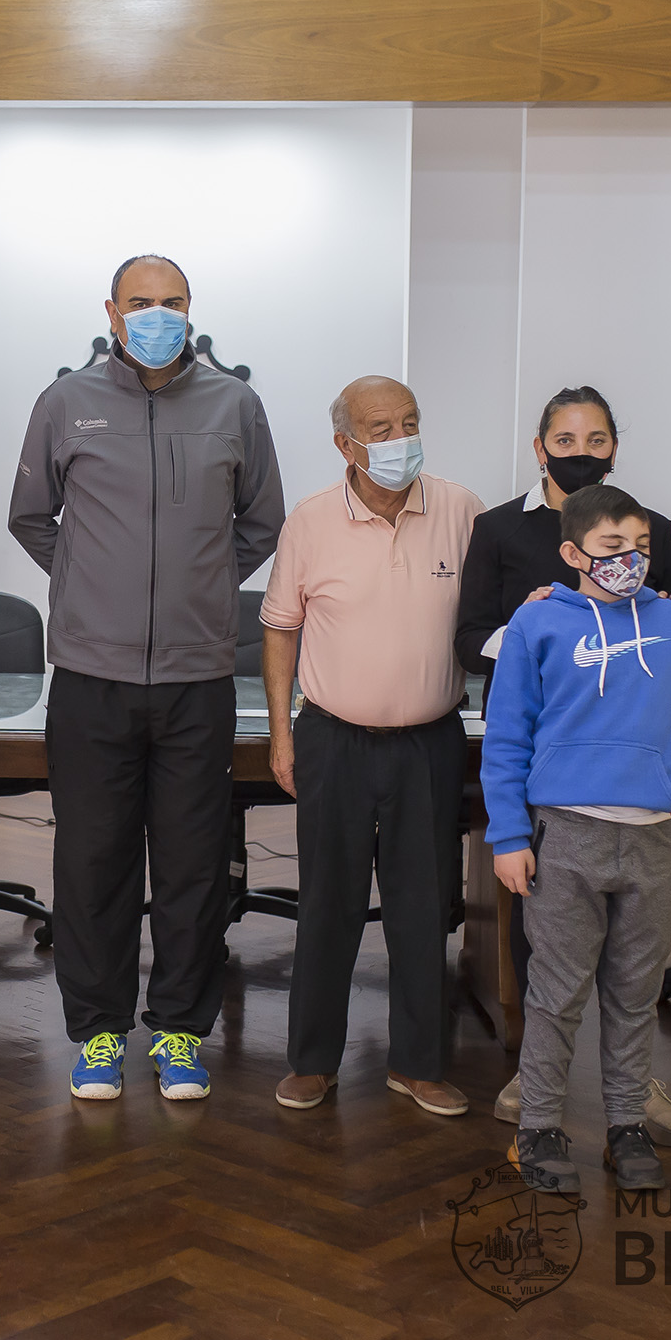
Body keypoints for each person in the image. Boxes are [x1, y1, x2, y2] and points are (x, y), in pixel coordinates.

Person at [10, 255, 284, 1102]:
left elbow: (261, 522)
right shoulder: (65, 403)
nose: (155, 315)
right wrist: (89, 584)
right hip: (90, 675)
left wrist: (201, 587)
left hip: (196, 676)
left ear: (191, 309)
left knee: (193, 866)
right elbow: (31, 518)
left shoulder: (234, 405)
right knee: (92, 863)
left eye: (171, 302)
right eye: (139, 302)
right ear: (111, 311)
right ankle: (97, 1032)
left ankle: (178, 1031)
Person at [453, 386, 671, 1144]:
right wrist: (534, 625)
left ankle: (633, 1084)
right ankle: (536, 1077)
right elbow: (468, 638)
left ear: (614, 447)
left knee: (633, 964)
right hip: (546, 762)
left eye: (596, 440)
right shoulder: (498, 528)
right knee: (546, 940)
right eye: (565, 440)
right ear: (539, 448)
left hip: (634, 768)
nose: (581, 452)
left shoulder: (646, 529)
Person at [482, 484, 671, 1193]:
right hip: (565, 836)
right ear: (573, 553)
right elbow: (507, 737)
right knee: (556, 994)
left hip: (653, 838)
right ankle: (538, 1129)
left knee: (634, 992)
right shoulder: (536, 623)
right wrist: (508, 835)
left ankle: (626, 1126)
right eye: (612, 547)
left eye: (641, 548)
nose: (630, 561)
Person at [261, 377, 479, 1118]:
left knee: (424, 907)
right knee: (328, 904)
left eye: (409, 423)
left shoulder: (461, 510)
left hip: (429, 743)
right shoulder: (310, 520)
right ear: (344, 444)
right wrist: (282, 734)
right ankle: (312, 1062)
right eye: (380, 429)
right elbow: (279, 628)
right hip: (333, 741)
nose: (399, 440)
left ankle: (418, 1065)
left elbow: (489, 618)